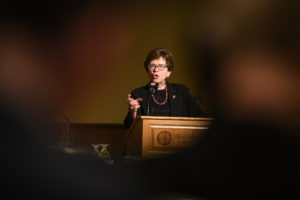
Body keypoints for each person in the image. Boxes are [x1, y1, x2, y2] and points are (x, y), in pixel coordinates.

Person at [124, 48, 206, 129]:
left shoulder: (181, 92)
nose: (155, 70)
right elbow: (128, 127)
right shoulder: (138, 94)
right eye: (152, 66)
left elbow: (201, 119)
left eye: (161, 66)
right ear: (148, 70)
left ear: (169, 72)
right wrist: (133, 112)